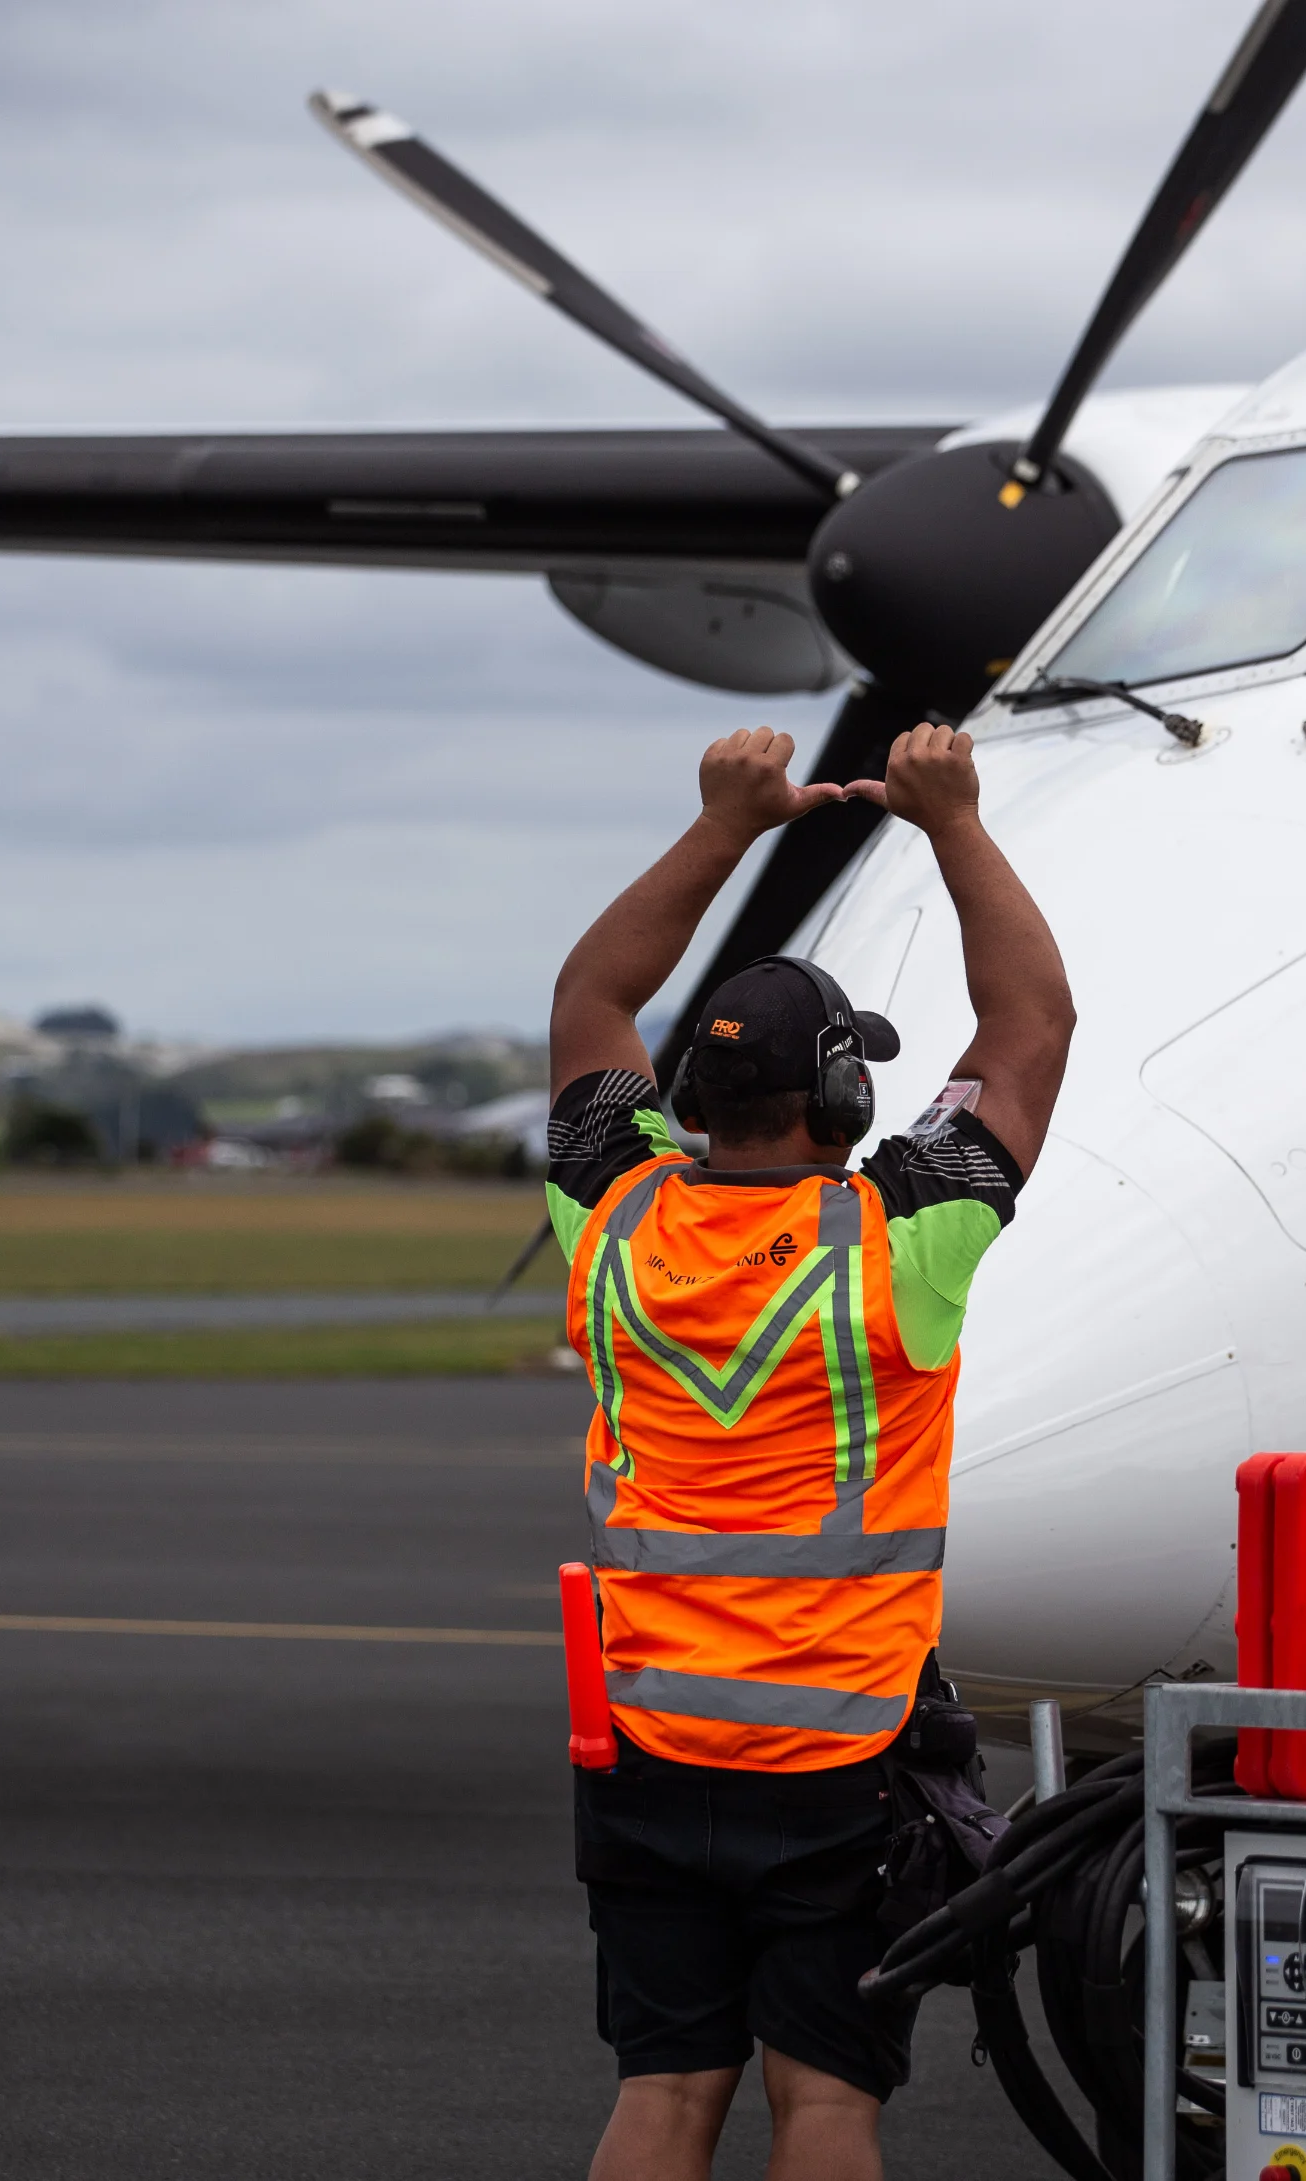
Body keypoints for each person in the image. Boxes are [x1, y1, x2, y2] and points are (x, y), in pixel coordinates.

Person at [543, 721, 1074, 2181]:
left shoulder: (616, 1223)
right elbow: (1031, 1027)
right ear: (846, 1101)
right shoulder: (897, 1237)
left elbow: (593, 994)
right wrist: (954, 821)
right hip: (837, 1753)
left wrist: (729, 823)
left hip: (650, 1744)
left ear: (688, 1106)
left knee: (662, 2095)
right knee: (827, 2105)